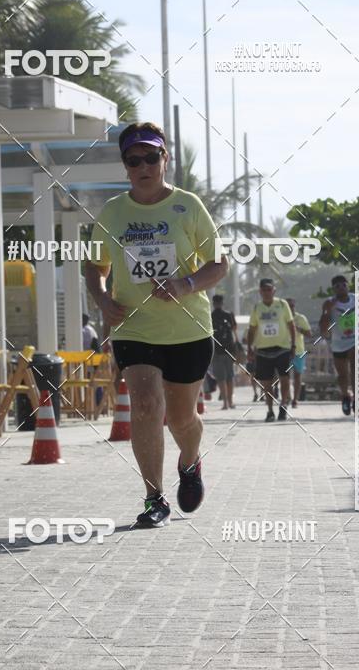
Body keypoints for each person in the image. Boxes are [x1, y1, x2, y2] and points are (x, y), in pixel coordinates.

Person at [85, 121, 228, 527]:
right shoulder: (113, 212)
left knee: (182, 419)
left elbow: (220, 265)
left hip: (188, 329)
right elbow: (94, 266)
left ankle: (190, 461)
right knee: (146, 405)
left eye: (151, 157)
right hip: (134, 326)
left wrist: (185, 284)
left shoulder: (188, 206)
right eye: (134, 160)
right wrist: (102, 299)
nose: (144, 166)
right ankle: (154, 499)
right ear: (125, 166)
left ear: (165, 159)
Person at [246, 278, 296, 422]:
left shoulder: (282, 304)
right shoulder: (257, 308)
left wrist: (293, 345)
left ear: (274, 290)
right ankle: (270, 410)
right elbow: (252, 329)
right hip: (262, 350)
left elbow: (291, 325)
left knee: (285, 378)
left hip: (282, 348)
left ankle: (284, 404)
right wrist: (249, 348)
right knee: (266, 383)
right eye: (264, 290)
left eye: (270, 289)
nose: (267, 292)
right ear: (260, 292)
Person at [319, 275, 356, 415]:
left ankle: (357, 399)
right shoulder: (329, 303)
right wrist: (328, 311)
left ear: (348, 286)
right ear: (333, 289)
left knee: (355, 369)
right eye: (337, 286)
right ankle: (345, 396)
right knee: (342, 375)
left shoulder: (357, 299)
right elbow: (323, 327)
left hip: (355, 340)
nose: (341, 288)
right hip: (339, 343)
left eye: (343, 285)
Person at [210, 294, 238, 409]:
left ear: (213, 303)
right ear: (222, 303)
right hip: (228, 349)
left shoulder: (210, 315)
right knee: (229, 376)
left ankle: (226, 403)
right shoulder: (228, 315)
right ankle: (230, 402)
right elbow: (234, 328)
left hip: (217, 350)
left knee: (221, 377)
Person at [286, 298, 312, 407]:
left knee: (297, 376)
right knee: (285, 376)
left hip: (299, 351)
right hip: (284, 351)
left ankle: (295, 399)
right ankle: (287, 397)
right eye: (288, 306)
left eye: (292, 306)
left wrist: (298, 329)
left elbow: (309, 334)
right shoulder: (281, 318)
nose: (290, 308)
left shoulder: (300, 318)